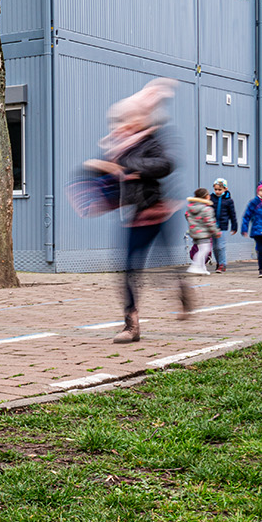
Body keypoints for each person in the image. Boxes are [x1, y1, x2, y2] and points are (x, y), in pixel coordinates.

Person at [83, 79, 189, 343]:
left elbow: (165, 165)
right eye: (119, 121)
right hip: (136, 216)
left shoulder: (153, 140)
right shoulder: (117, 145)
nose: (122, 126)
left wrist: (126, 163)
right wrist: (95, 178)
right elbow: (110, 179)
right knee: (128, 268)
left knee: (161, 264)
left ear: (141, 119)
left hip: (161, 211)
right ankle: (132, 325)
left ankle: (180, 289)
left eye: (127, 120)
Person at [185, 187, 217, 274]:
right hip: (204, 233)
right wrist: (216, 232)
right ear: (206, 197)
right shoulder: (207, 209)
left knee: (201, 250)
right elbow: (210, 222)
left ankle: (202, 268)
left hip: (195, 233)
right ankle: (194, 266)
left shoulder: (192, 207)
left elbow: (187, 216)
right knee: (205, 250)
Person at [210, 178, 237, 272]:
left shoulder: (229, 201)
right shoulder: (211, 198)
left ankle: (222, 264)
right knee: (214, 247)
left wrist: (234, 226)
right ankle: (218, 262)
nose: (217, 191)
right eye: (216, 189)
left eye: (219, 189)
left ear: (225, 189)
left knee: (221, 246)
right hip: (212, 226)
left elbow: (232, 214)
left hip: (222, 226)